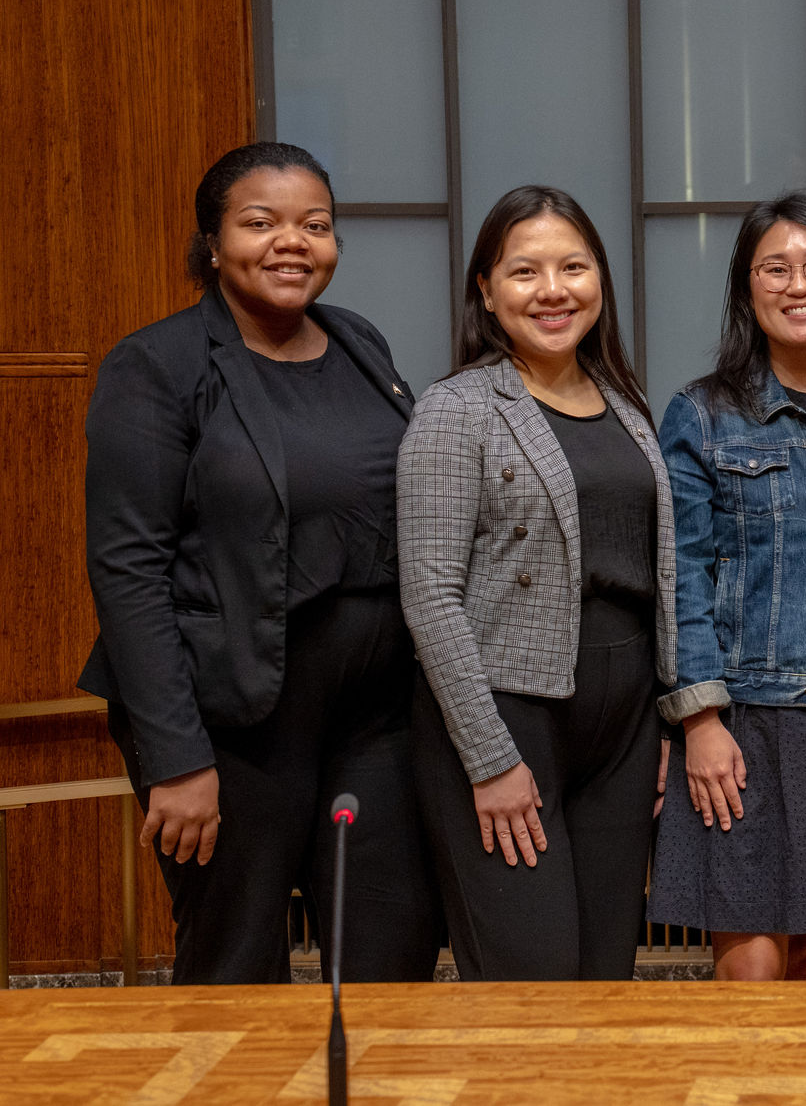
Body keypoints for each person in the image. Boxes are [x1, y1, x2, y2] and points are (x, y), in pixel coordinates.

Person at [80, 141, 439, 984]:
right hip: (230, 721)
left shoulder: (359, 342)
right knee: (236, 964)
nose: (292, 241)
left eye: (315, 224)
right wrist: (176, 756)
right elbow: (128, 568)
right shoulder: (156, 366)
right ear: (212, 241)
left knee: (392, 952)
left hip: (376, 719)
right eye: (260, 222)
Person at [399, 185, 679, 981]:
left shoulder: (624, 401)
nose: (553, 290)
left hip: (622, 724)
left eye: (573, 266)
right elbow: (428, 594)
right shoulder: (457, 409)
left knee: (602, 979)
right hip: (506, 715)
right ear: (486, 290)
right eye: (525, 271)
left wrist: (661, 719)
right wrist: (488, 758)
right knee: (534, 983)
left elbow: (654, 575)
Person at [649, 191, 806, 979]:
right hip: (748, 722)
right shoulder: (703, 413)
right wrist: (700, 718)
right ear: (747, 289)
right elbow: (680, 576)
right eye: (776, 268)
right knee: (752, 969)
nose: (800, 285)